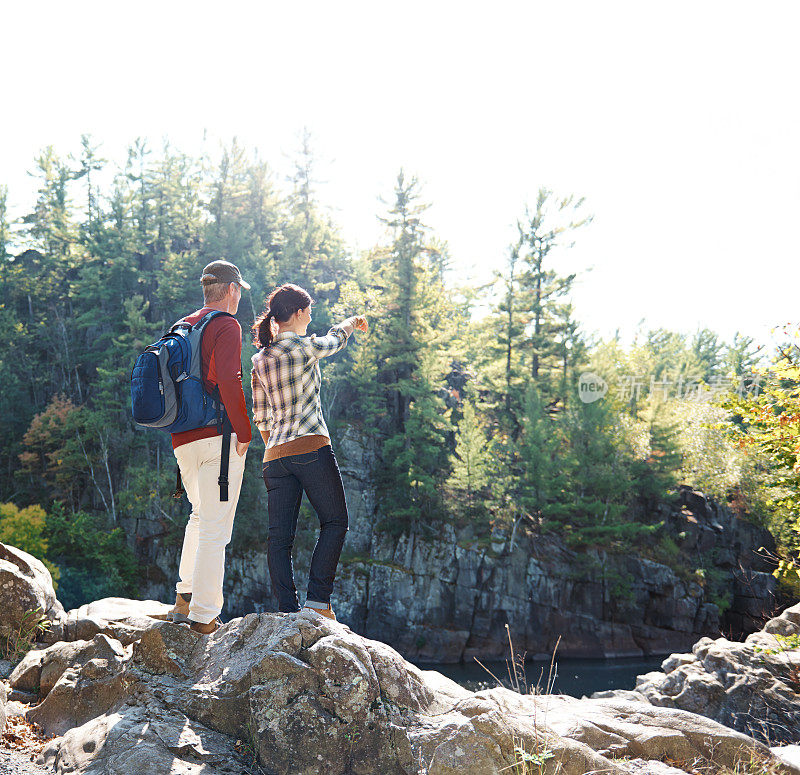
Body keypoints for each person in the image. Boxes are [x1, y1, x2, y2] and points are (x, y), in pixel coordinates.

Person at [250, 283, 367, 620]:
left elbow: (261, 417)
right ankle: (318, 603)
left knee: (279, 539)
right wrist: (351, 322)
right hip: (311, 446)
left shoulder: (260, 359)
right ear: (299, 314)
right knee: (335, 521)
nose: (311, 317)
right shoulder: (304, 347)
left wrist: (279, 447)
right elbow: (336, 339)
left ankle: (288, 610)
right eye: (309, 311)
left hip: (274, 457)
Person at [167, 260, 253, 635]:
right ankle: (204, 619)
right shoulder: (225, 326)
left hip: (181, 439)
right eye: (239, 291)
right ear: (232, 289)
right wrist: (245, 433)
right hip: (217, 438)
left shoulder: (182, 325)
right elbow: (230, 381)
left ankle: (184, 600)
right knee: (216, 529)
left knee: (200, 517)